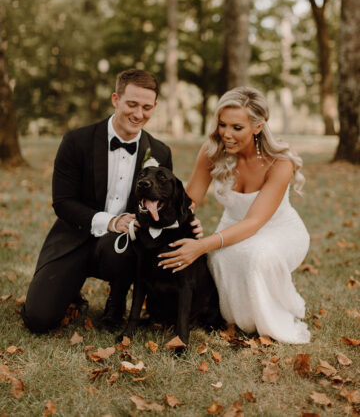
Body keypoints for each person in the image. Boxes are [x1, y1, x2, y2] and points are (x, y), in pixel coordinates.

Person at [22, 69, 178, 333]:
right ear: (115, 99)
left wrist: (185, 221)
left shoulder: (160, 152)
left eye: (146, 107)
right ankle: (69, 290)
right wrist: (112, 221)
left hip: (122, 248)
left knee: (130, 247)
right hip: (74, 237)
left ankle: (115, 306)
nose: (138, 114)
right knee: (39, 319)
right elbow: (63, 202)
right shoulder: (77, 141)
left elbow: (162, 205)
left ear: (155, 107)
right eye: (131, 104)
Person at [157, 86, 311, 344]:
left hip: (278, 231)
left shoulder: (280, 162)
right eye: (222, 124)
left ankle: (266, 321)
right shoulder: (213, 149)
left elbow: (253, 222)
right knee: (218, 260)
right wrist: (177, 218)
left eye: (236, 128)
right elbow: (191, 198)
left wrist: (201, 245)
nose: (226, 134)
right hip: (232, 226)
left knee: (256, 256)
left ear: (258, 126)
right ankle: (236, 318)